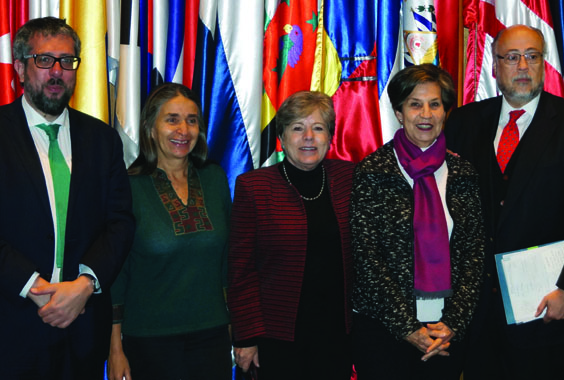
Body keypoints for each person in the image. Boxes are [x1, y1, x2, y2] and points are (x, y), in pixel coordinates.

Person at [444, 24, 564, 380]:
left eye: (532, 57)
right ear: (495, 65)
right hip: (474, 311)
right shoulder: (463, 121)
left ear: (543, 64)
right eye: (513, 57)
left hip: (543, 307)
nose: (523, 66)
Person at [0, 17, 135, 379]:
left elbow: (120, 222)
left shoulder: (102, 139)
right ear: (19, 68)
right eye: (45, 60)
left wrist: (84, 285)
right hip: (11, 328)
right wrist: (34, 286)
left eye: (67, 61)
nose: (57, 71)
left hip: (84, 328)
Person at [350, 63, 485, 380]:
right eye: (415, 104)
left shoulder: (464, 173)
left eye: (435, 104)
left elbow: (474, 254)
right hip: (384, 331)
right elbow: (366, 258)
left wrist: (454, 322)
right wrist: (408, 327)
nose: (426, 114)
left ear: (445, 112)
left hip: (446, 330)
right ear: (399, 112)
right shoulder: (373, 172)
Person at [107, 83, 232, 380]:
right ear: (151, 128)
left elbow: (229, 260)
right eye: (172, 119)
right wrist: (114, 348)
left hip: (212, 337)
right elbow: (117, 276)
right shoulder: (128, 187)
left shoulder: (214, 178)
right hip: (149, 342)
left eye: (191, 120)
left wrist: (235, 330)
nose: (183, 130)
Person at [228, 91, 355, 379]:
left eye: (318, 128)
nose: (308, 136)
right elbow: (241, 271)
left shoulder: (349, 177)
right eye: (297, 128)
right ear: (282, 137)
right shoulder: (254, 187)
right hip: (277, 336)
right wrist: (246, 337)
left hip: (337, 334)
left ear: (330, 137)